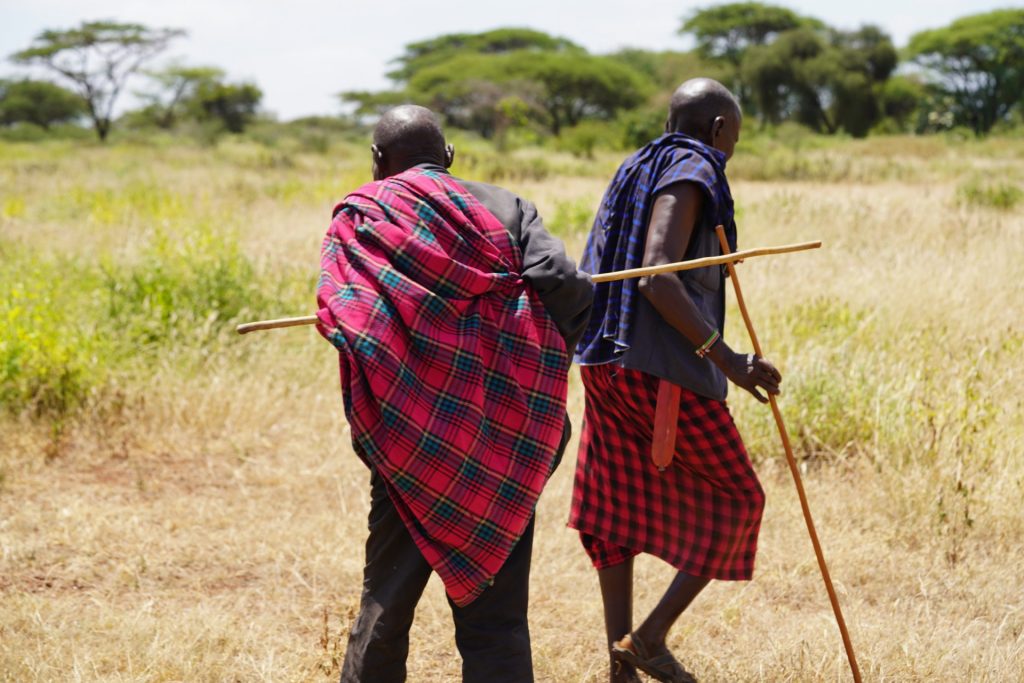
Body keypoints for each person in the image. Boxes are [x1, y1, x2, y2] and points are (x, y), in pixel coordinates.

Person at [315, 104, 593, 683]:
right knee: (497, 621)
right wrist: (528, 363)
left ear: (376, 162)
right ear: (449, 158)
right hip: (505, 439)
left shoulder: (361, 216)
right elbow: (561, 287)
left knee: (386, 603)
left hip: (409, 441)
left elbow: (351, 317)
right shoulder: (506, 206)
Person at [568, 78, 782, 683]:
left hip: (603, 361)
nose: (729, 152)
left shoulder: (637, 164)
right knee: (741, 500)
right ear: (718, 129)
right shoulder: (694, 165)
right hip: (657, 370)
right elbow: (658, 277)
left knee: (614, 515)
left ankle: (620, 668)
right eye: (733, 140)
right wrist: (731, 361)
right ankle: (650, 639)